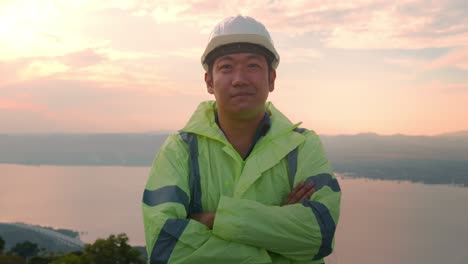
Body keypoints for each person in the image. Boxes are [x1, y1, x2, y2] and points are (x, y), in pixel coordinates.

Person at [142, 15, 341, 264]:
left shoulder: (302, 146)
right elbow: (165, 247)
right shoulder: (180, 149)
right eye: (226, 67)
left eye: (253, 66)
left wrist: (217, 219)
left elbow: (319, 235)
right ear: (209, 81)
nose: (240, 79)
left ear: (271, 79)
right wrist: (276, 237)